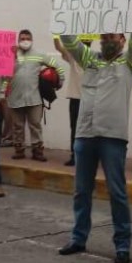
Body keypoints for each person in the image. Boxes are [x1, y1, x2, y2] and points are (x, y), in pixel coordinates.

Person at [58, 0, 132, 263]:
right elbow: (69, 40)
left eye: (114, 35)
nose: (108, 38)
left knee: (117, 192)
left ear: (122, 40)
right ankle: (78, 237)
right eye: (105, 35)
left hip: (112, 137)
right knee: (81, 190)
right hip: (85, 134)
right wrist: (62, 7)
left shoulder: (129, 64)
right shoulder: (89, 60)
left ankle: (122, 245)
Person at [8, 30, 65, 162]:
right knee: (17, 126)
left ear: (32, 40)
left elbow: (57, 65)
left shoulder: (39, 54)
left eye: (28, 38)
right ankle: (19, 150)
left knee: (35, 125)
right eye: (22, 38)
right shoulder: (11, 55)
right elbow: (3, 73)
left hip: (34, 98)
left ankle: (37, 151)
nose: (25, 40)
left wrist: (60, 80)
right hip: (15, 97)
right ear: (18, 40)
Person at [54, 35, 92, 166]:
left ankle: (88, 156)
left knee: (89, 130)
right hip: (75, 99)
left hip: (89, 101)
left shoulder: (96, 60)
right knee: (75, 129)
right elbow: (58, 47)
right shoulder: (73, 57)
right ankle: (74, 155)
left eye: (87, 42)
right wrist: (56, 35)